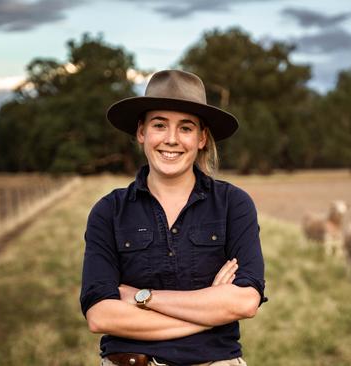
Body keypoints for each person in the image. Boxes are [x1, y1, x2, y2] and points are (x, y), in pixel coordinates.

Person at [80, 70, 267, 366]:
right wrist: (211, 313)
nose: (171, 139)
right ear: (141, 132)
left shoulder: (234, 205)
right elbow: (100, 315)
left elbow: (244, 301)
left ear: (202, 137)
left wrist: (142, 297)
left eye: (186, 128)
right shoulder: (108, 211)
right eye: (159, 125)